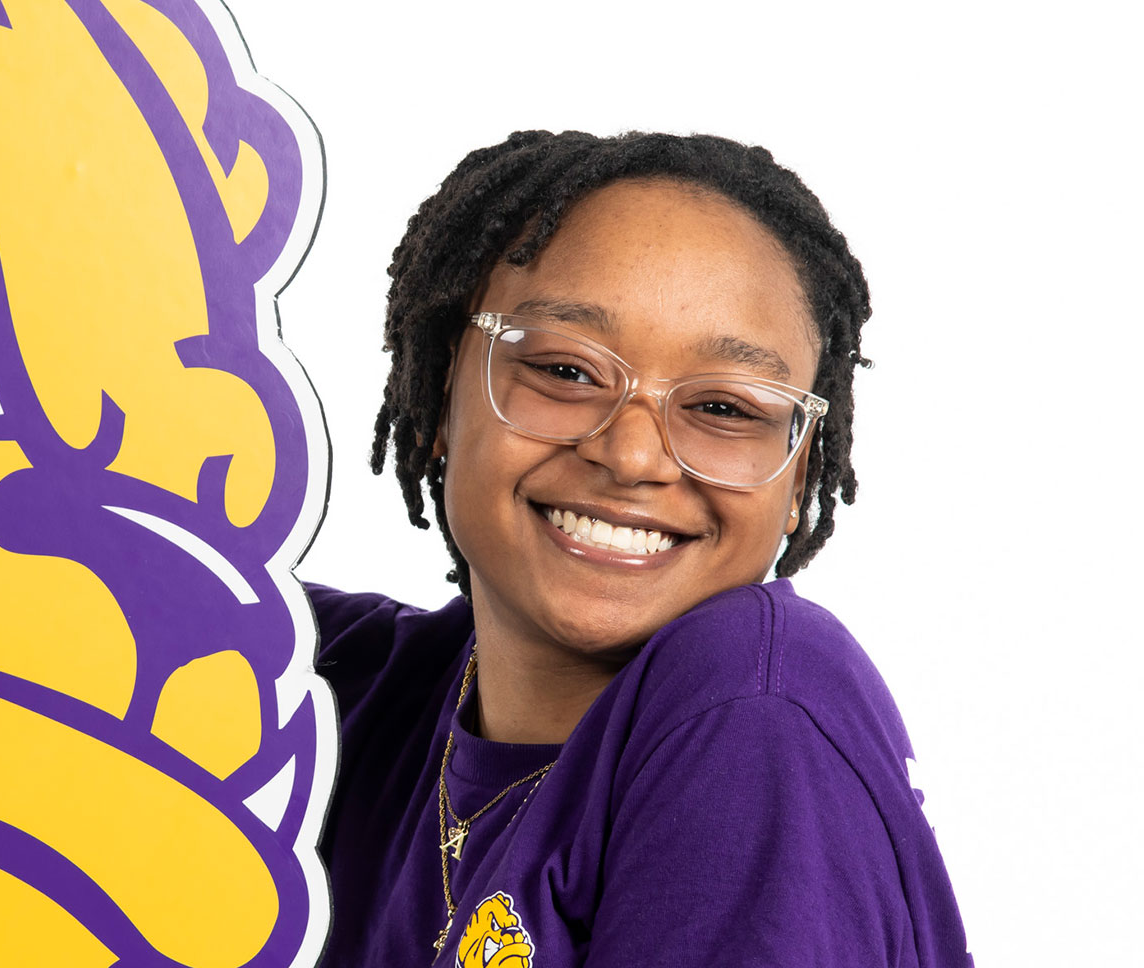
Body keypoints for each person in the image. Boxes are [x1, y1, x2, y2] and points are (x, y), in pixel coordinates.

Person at [309, 131, 971, 967]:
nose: (631, 455)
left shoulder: (756, 710)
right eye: (566, 371)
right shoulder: (337, 690)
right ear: (442, 393)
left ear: (798, 471)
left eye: (725, 409)